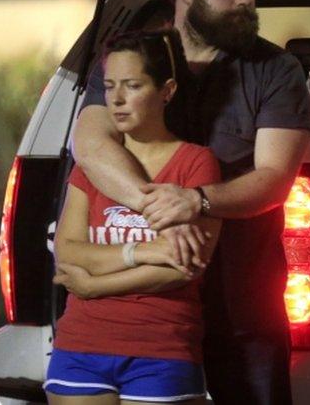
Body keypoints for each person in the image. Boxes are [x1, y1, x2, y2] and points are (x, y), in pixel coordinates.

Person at [73, 0, 310, 404]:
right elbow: (92, 144)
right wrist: (162, 207)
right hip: (142, 306)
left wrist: (197, 200)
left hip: (240, 308)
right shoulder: (132, 59)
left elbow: (273, 179)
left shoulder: (274, 69)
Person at [46, 30, 222, 405]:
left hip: (161, 347)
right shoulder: (95, 165)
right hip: (80, 345)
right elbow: (68, 252)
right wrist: (143, 251)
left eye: (132, 85)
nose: (117, 100)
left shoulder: (195, 163)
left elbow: (182, 266)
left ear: (167, 91)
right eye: (109, 87)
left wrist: (96, 285)